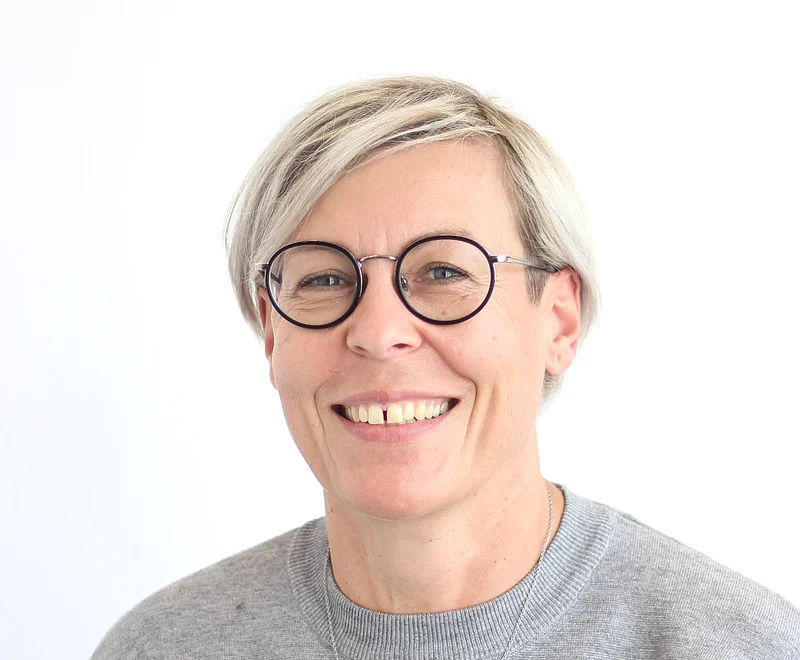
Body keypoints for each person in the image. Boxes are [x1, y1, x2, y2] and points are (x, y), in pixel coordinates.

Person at [91, 75, 800, 659]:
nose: (378, 333)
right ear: (272, 333)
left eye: (443, 272)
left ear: (558, 320)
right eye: (324, 279)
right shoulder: (162, 648)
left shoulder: (739, 644)